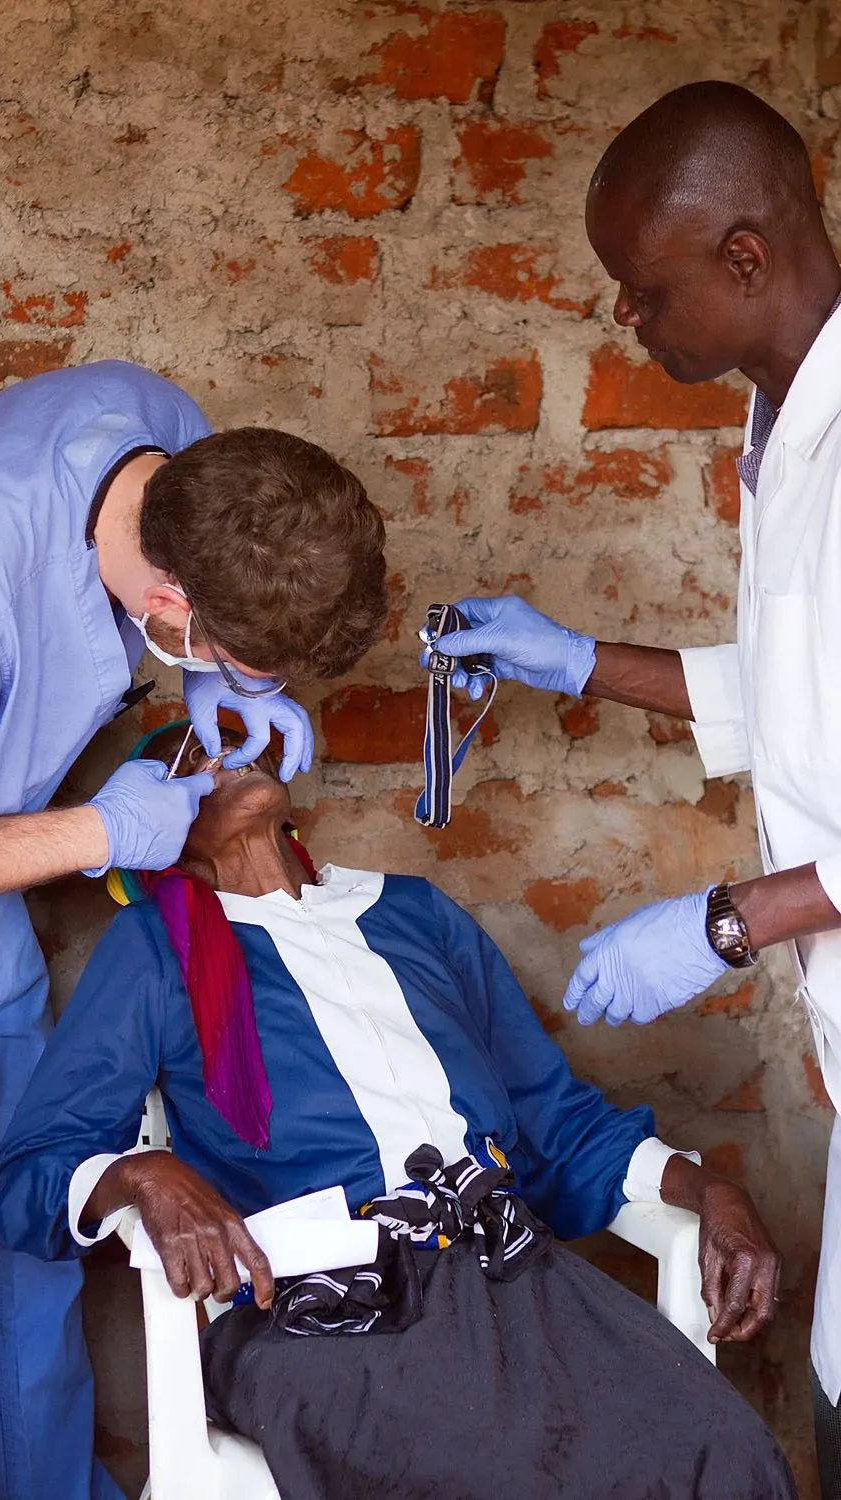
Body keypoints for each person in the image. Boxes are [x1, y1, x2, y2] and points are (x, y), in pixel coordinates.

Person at [0, 719, 795, 1500]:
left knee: (721, 1449)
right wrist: (143, 1174)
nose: (222, 754)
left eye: (229, 738)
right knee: (490, 1466)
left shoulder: (415, 913)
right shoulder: (155, 950)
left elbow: (553, 1122)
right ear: (156, 831)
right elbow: (30, 1174)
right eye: (185, 760)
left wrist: (706, 1190)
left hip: (515, 1276)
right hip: (322, 1316)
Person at [0, 360, 387, 1500]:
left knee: (22, 1239)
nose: (244, 688)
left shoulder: (168, 443)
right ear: (172, 606)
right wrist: (99, 829)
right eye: (238, 663)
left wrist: (205, 687)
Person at [422, 80, 841, 1497]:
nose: (626, 322)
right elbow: (792, 694)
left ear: (741, 256)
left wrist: (725, 922)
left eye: (640, 290)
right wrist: (575, 658)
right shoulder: (789, 425)